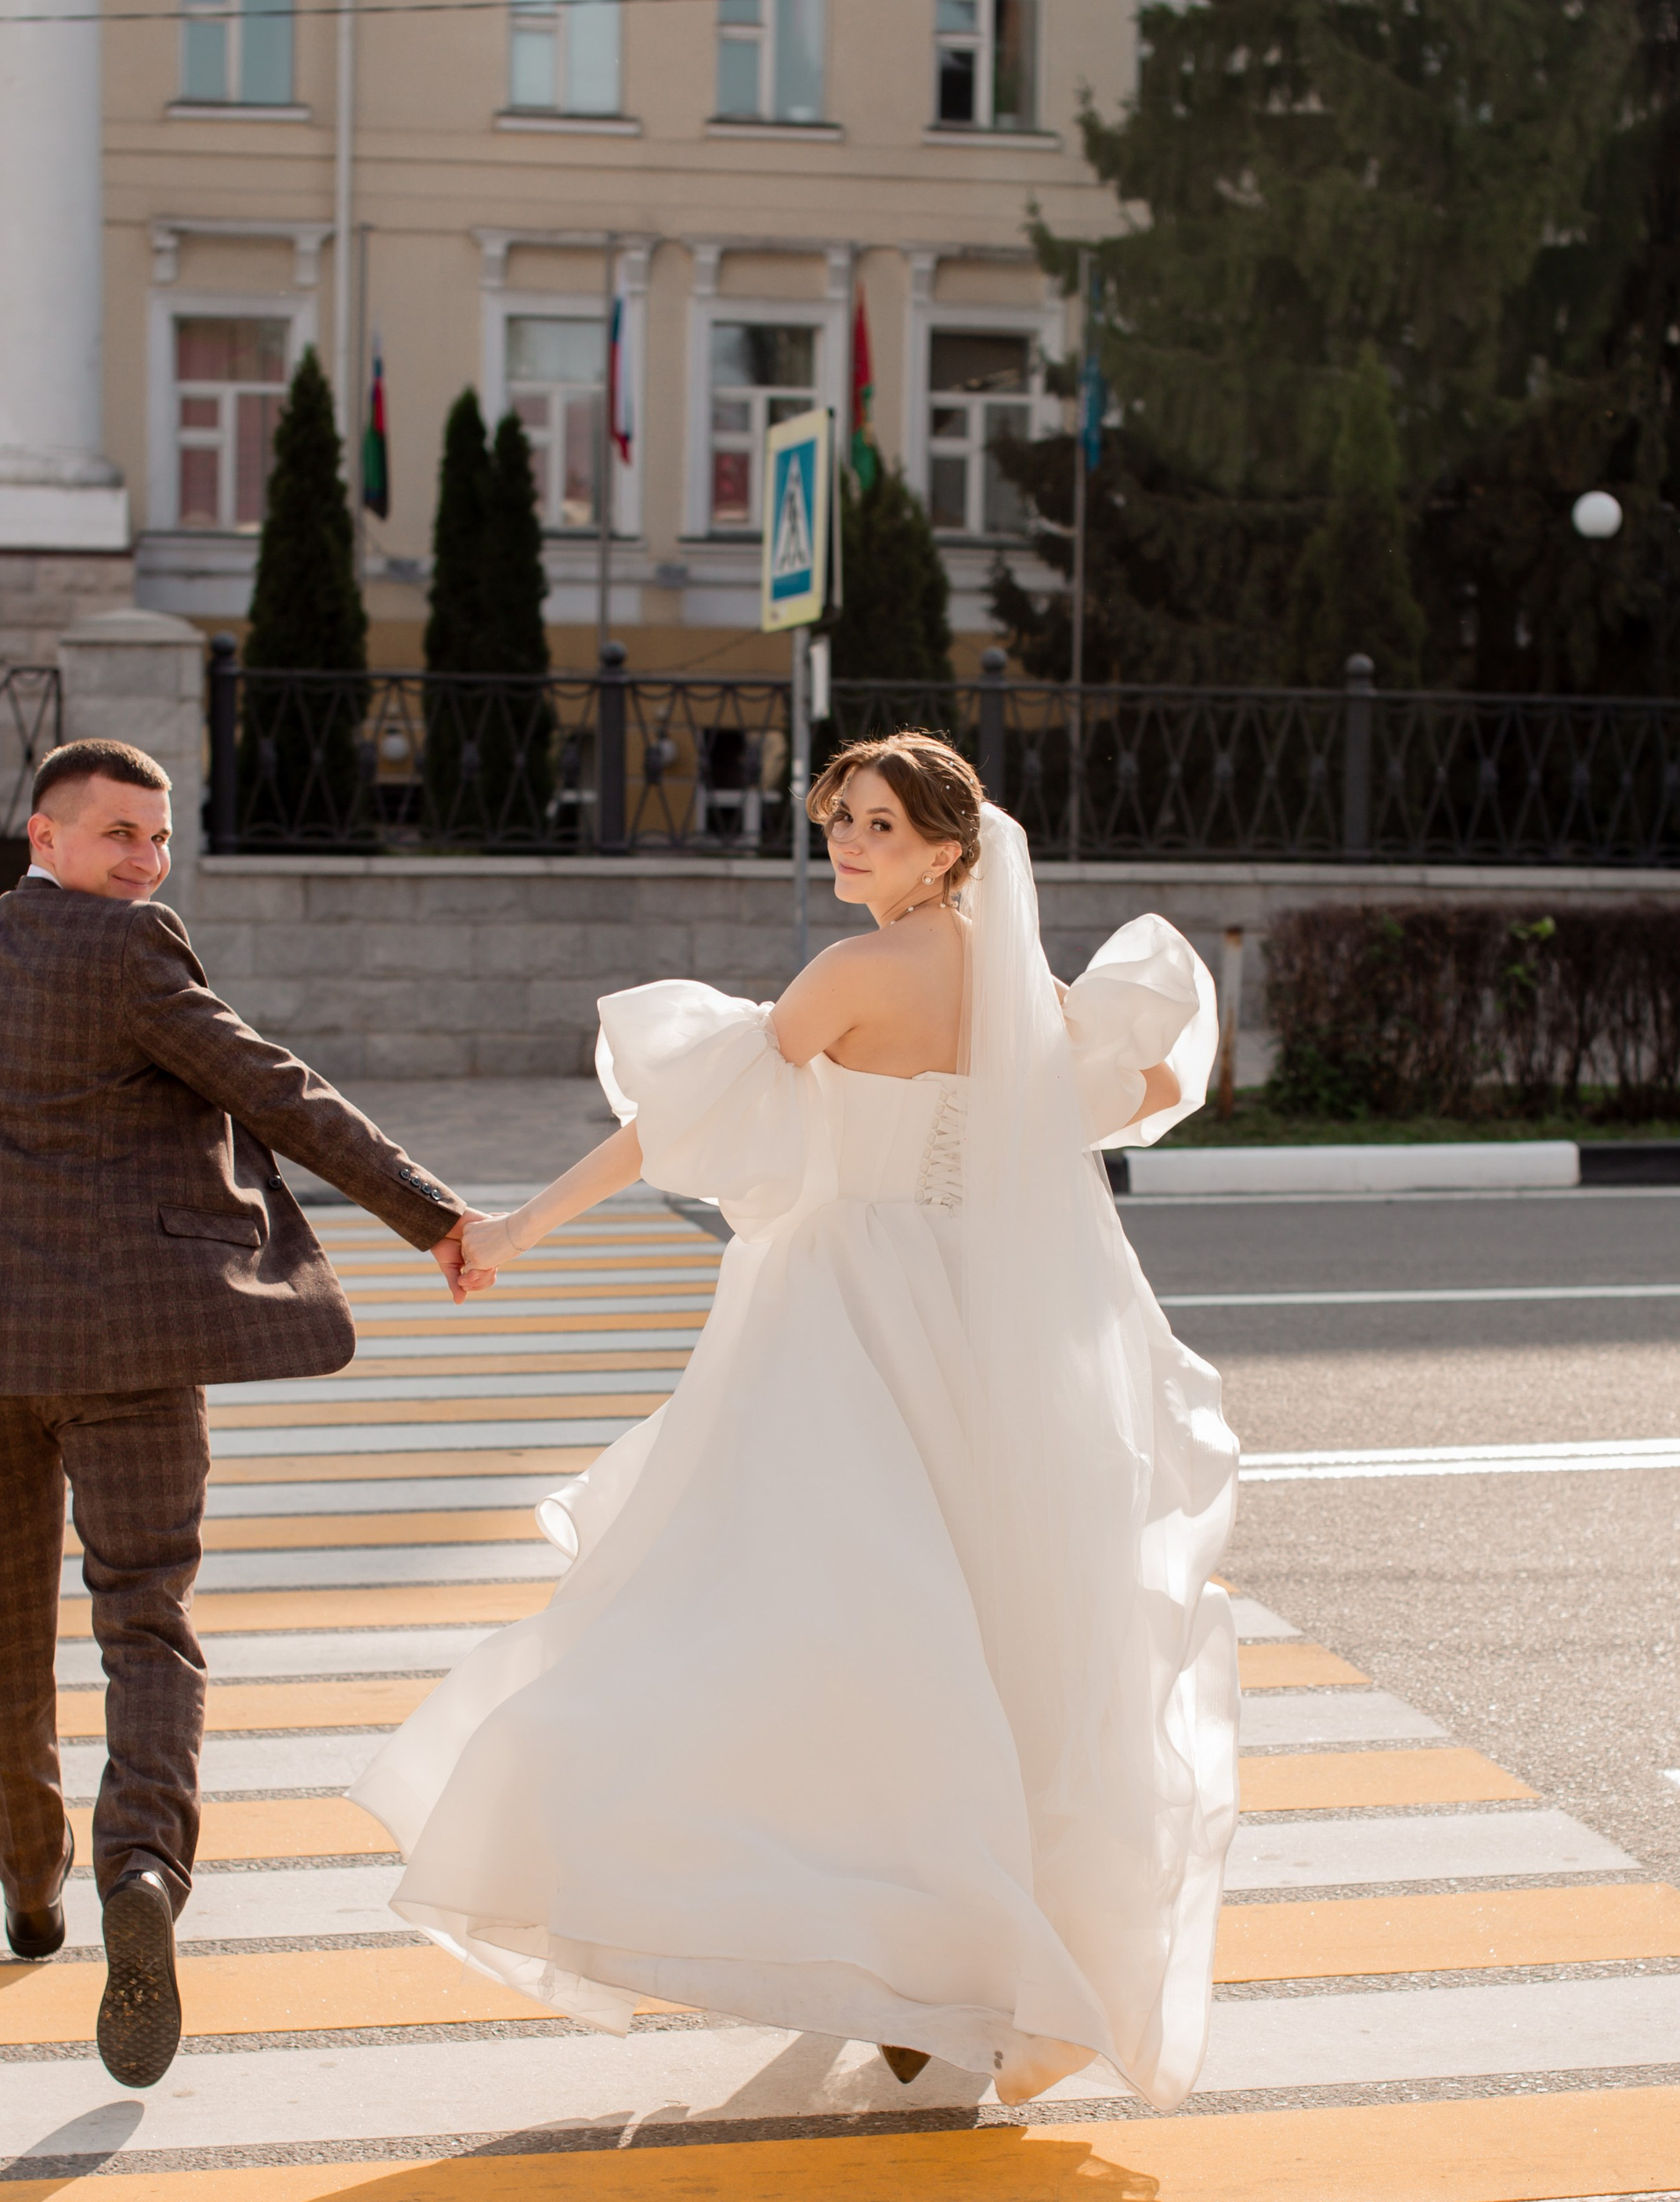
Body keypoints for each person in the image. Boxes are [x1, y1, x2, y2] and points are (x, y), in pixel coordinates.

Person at [352, 733, 1240, 2113]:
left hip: (843, 1306)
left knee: (780, 1618)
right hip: (984, 1322)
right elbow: (1119, 1090)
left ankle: (872, 1935)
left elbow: (676, 1121)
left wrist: (519, 1228)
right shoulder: (1015, 981)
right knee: (989, 1631)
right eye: (839, 820)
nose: (849, 844)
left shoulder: (853, 974)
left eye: (880, 826)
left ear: (950, 846)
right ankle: (967, 1958)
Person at [0, 739, 484, 2091]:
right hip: (130, 1340)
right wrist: (432, 1214)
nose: (144, 862)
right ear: (45, 834)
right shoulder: (129, 951)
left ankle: (29, 1887)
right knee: (147, 1614)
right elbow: (271, 1085)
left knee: (0, 1618)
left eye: (156, 839)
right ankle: (142, 1866)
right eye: (117, 836)